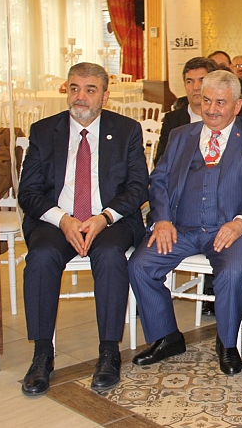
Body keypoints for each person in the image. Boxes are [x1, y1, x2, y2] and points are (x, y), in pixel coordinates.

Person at [18, 62, 149, 395]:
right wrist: (63, 219)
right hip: (57, 219)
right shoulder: (44, 131)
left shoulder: (127, 130)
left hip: (109, 219)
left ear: (104, 96)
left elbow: (137, 188)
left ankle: (108, 353)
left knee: (110, 255)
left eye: (90, 90)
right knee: (41, 257)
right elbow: (28, 192)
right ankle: (42, 355)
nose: (81, 96)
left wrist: (104, 217)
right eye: (74, 88)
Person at [128, 71, 242, 376]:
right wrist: (162, 219)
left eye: (220, 102)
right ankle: (166, 337)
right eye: (206, 101)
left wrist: (241, 222)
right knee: (140, 265)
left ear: (237, 105)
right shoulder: (182, 135)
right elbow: (159, 180)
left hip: (231, 229)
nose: (211, 109)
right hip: (182, 227)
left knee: (233, 272)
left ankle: (227, 343)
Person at [157, 57, 242, 163]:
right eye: (189, 81)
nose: (196, 87)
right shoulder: (173, 121)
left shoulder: (238, 117)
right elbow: (162, 161)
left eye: (201, 80)